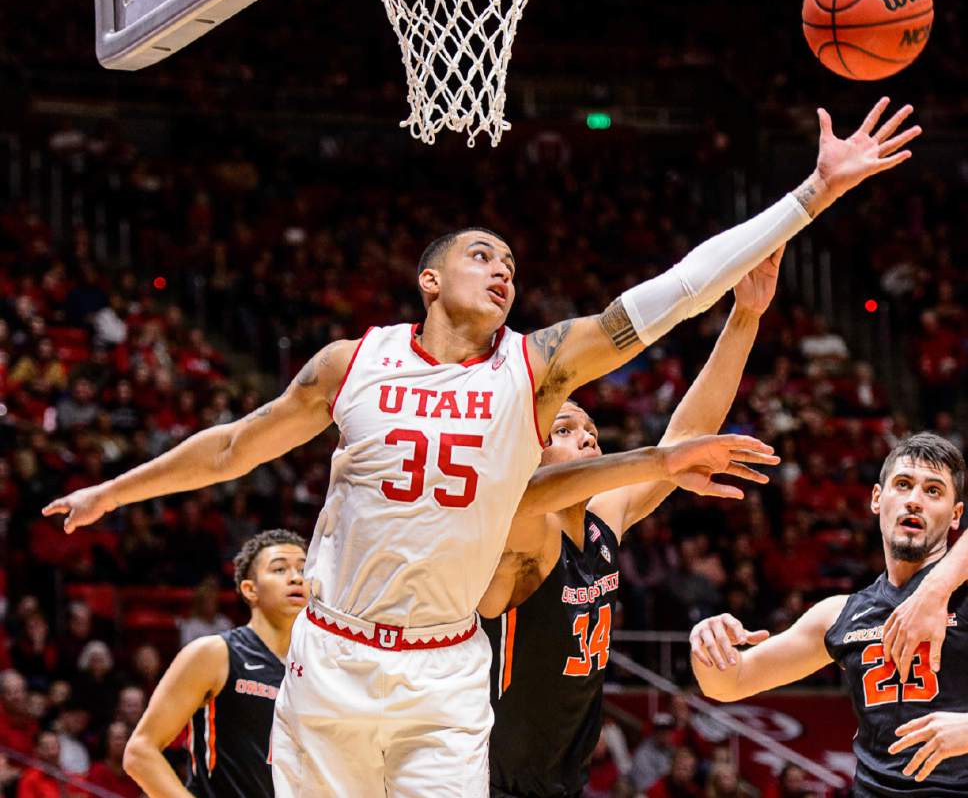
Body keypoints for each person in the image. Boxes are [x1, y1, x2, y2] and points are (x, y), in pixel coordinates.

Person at [44, 99, 919, 796]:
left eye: (511, 263)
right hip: (332, 652)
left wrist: (813, 194)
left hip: (445, 668)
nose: (504, 270)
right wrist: (116, 492)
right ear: (430, 279)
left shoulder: (535, 368)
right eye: (481, 256)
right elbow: (235, 446)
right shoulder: (353, 362)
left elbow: (671, 295)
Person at [481, 250, 784, 797]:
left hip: (561, 781)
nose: (590, 436)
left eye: (593, 429)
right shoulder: (522, 529)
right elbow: (520, 497)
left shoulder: (599, 520)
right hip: (489, 782)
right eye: (569, 429)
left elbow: (683, 440)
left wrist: (745, 318)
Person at [689, 433, 968, 796]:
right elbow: (729, 684)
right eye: (903, 484)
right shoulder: (841, 613)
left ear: (956, 516)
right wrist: (707, 644)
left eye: (933, 491)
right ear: (876, 499)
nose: (914, 500)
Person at [123, 530, 307, 797]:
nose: (296, 577)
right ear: (250, 589)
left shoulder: (319, 670)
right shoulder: (215, 653)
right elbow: (140, 752)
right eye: (279, 569)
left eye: (304, 569)